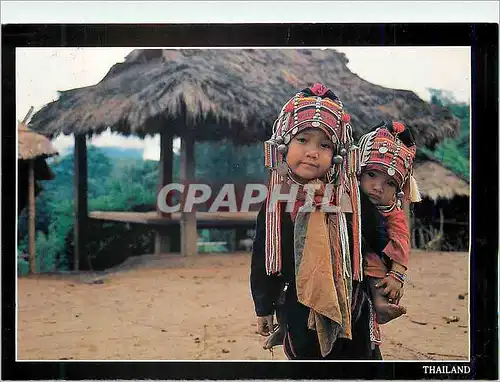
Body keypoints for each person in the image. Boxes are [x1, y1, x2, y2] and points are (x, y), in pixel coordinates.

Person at [250, 83, 391, 360]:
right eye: (302, 140)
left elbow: (379, 236)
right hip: (296, 303)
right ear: (283, 146)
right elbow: (262, 255)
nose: (312, 152)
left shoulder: (352, 196)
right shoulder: (276, 201)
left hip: (351, 302)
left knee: (358, 361)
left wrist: (393, 270)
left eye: (324, 145)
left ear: (337, 155)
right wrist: (263, 307)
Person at [358, 121, 422, 324]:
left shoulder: (394, 215)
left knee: (376, 270)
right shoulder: (341, 197)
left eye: (390, 183)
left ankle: (381, 307)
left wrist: (396, 274)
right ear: (357, 173)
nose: (377, 187)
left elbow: (401, 242)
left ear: (398, 191)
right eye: (371, 175)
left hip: (369, 266)